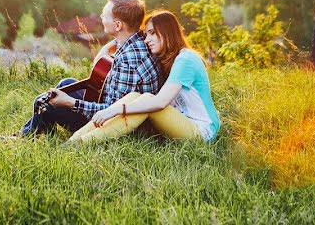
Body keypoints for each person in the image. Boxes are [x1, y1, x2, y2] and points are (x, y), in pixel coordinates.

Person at [19, 0, 161, 136]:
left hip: (118, 125)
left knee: (43, 102)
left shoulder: (127, 61)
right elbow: (97, 73)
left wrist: (70, 102)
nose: (101, 17)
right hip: (118, 109)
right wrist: (108, 46)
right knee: (66, 83)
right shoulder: (139, 40)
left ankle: (28, 136)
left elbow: (111, 112)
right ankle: (38, 130)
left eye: (104, 15)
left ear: (118, 25)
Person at [68, 9, 220, 143]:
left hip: (202, 131)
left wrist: (115, 110)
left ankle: (83, 143)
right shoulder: (169, 58)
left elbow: (160, 102)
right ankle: (74, 140)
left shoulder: (186, 60)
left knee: (147, 98)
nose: (147, 40)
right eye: (146, 34)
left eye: (152, 33)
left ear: (167, 32)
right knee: (135, 95)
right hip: (181, 121)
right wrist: (112, 43)